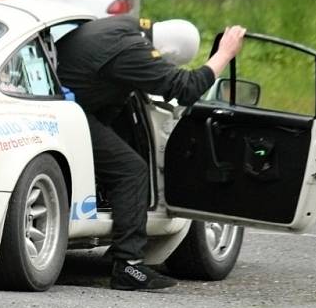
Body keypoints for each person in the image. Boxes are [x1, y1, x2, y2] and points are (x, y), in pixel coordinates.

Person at [56, 16, 246, 291]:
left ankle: (120, 237)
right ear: (167, 53)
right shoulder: (133, 51)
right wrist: (225, 54)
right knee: (131, 170)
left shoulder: (122, 25)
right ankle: (128, 265)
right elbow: (186, 88)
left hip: (65, 101)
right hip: (67, 114)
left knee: (125, 146)